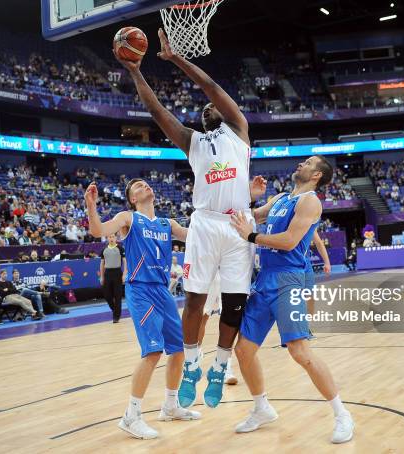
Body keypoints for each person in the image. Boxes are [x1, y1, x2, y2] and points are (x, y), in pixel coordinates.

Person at [117, 29, 267, 409]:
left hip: (237, 225)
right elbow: (155, 111)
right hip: (204, 223)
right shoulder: (193, 142)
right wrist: (136, 70)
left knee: (234, 304)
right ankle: (193, 367)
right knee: (195, 302)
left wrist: (177, 59)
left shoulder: (239, 131)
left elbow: (212, 87)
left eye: (209, 107)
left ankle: (218, 367)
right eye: (201, 112)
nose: (206, 109)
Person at [230, 156, 354, 444]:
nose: (301, 164)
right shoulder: (282, 198)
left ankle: (342, 414)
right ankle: (261, 408)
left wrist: (251, 237)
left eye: (309, 163)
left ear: (317, 176)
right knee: (244, 351)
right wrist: (251, 198)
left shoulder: (311, 201)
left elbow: (288, 241)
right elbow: (252, 217)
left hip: (289, 279)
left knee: (300, 352)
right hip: (265, 280)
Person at [85, 179, 200, 439]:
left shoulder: (166, 224)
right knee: (152, 351)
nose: (145, 186)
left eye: (146, 184)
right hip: (141, 290)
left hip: (163, 291)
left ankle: (171, 405)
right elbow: (97, 230)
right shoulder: (129, 218)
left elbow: (194, 235)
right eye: (138, 186)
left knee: (178, 349)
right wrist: (91, 206)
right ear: (133, 199)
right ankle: (131, 416)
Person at [197, 273, 238, 385]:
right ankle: (195, 357)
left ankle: (225, 366)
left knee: (229, 318)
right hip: (208, 270)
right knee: (202, 316)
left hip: (228, 270)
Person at [100, 233, 126, 323]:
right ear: (107, 238)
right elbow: (102, 264)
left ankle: (116, 317)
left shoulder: (120, 248)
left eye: (113, 237)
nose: (111, 238)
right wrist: (102, 276)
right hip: (107, 273)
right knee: (107, 295)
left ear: (116, 238)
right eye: (109, 237)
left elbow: (125, 262)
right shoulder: (104, 249)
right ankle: (115, 310)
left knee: (117, 296)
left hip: (117, 273)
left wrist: (124, 274)